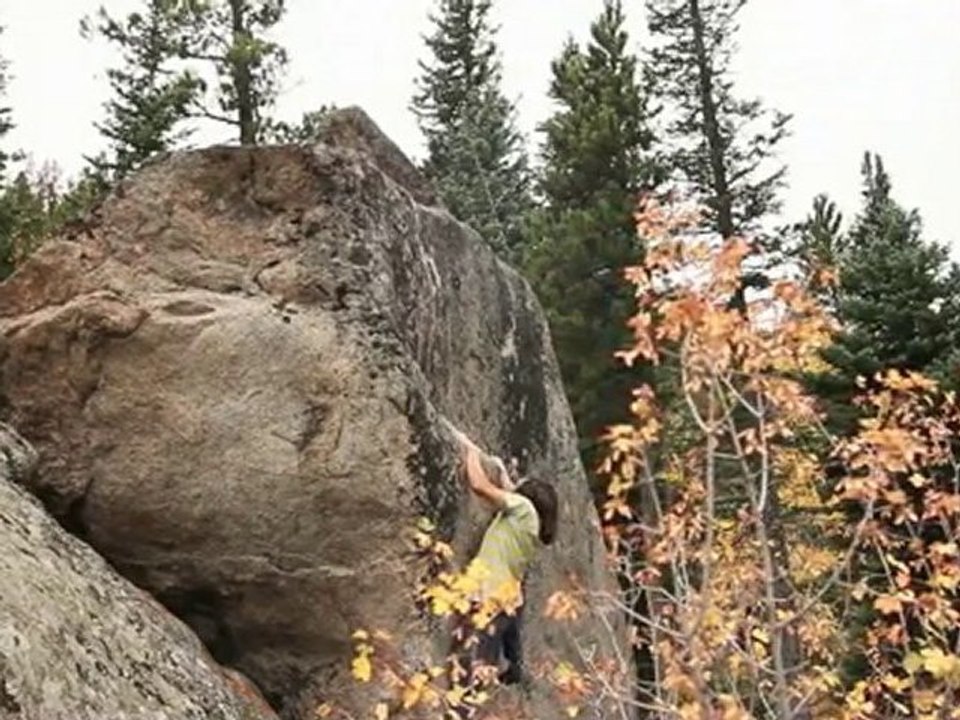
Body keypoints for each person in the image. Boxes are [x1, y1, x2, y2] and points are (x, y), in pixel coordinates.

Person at [451, 432, 558, 690]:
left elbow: (479, 486)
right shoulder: (533, 524)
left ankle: (470, 700)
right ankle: (514, 666)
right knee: (502, 649)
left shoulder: (522, 509)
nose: (516, 483)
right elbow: (509, 489)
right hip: (510, 599)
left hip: (491, 596)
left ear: (528, 497)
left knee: (477, 664)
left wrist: (471, 453)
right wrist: (499, 469)